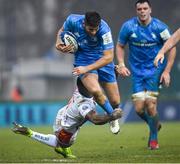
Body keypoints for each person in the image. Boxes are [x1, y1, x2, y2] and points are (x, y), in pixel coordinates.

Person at [115, 0, 176, 149]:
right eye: (139, 9)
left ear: (150, 10)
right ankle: (154, 124)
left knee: (150, 104)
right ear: (136, 11)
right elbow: (120, 46)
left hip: (155, 71)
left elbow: (172, 46)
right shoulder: (128, 27)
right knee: (138, 109)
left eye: (145, 8)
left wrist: (167, 71)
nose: (142, 11)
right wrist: (121, 63)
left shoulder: (160, 27)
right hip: (136, 73)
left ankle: (153, 139)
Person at [12, 78, 122, 159]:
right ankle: (31, 134)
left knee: (62, 141)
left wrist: (114, 73)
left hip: (62, 114)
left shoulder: (82, 89)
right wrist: (111, 116)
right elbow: (95, 120)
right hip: (65, 130)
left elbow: (97, 81)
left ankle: (62, 148)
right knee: (63, 143)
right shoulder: (84, 104)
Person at [56, 11, 121, 134]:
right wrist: (57, 43)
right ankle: (112, 116)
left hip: (103, 59)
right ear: (84, 23)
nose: (94, 32)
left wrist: (87, 69)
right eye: (91, 29)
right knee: (95, 91)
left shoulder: (104, 29)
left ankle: (113, 113)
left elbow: (109, 57)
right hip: (83, 59)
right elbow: (61, 31)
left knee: (116, 101)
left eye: (96, 29)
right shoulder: (72, 20)